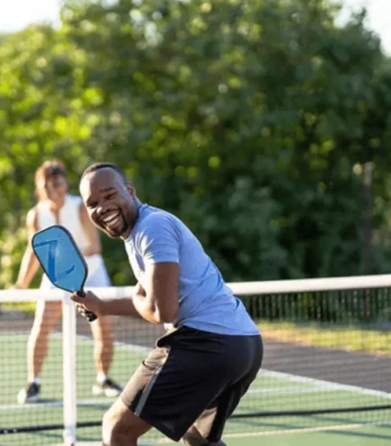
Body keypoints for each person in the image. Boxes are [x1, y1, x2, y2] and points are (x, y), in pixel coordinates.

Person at [72, 162, 264, 446]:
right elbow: (145, 295)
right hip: (244, 345)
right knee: (197, 438)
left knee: (116, 428)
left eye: (110, 195)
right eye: (92, 204)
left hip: (207, 342)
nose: (102, 208)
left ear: (130, 190)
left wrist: (114, 304)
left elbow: (164, 310)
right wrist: (101, 304)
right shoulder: (140, 230)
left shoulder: (153, 228)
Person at [15, 159, 122, 404]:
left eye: (58, 183)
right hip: (55, 278)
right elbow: (33, 251)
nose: (54, 189)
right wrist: (21, 283)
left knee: (103, 328)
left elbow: (94, 247)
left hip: (92, 274)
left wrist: (66, 259)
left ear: (65, 184)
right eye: (48, 185)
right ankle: (34, 383)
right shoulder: (36, 215)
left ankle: (103, 378)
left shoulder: (80, 208)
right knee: (41, 326)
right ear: (40, 188)